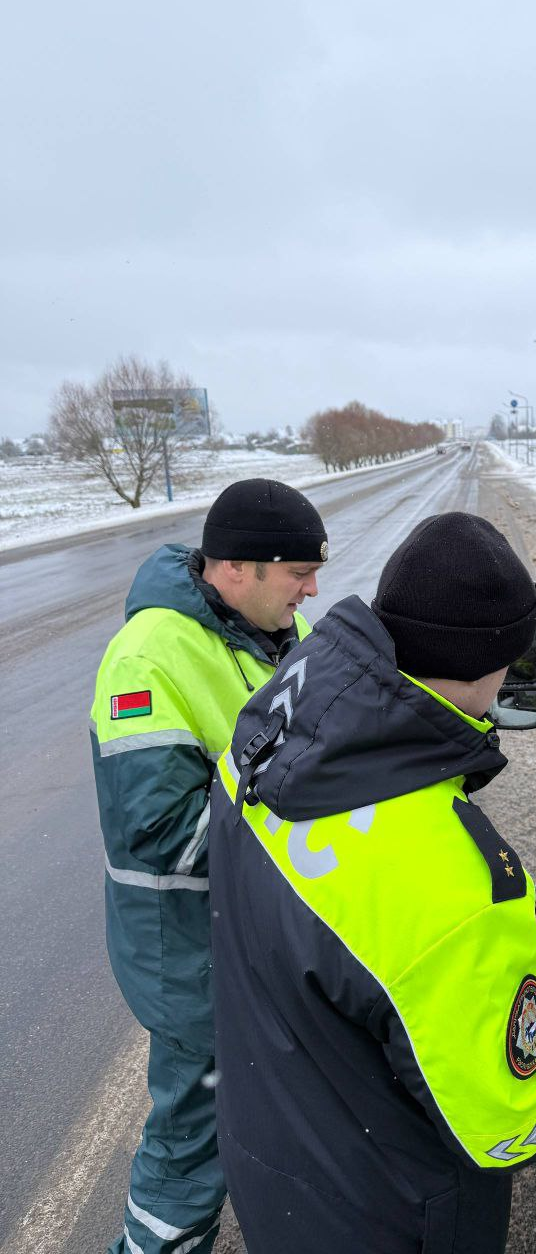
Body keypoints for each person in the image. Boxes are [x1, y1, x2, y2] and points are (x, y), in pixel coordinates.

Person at [209, 511, 536, 1254]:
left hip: (276, 1163)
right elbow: (519, 1120)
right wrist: (534, 956)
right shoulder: (447, 880)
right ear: (489, 667)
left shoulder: (274, 731)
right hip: (388, 1216)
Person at [90, 478, 328, 1254]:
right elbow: (164, 832)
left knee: (275, 1123)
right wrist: (315, 814)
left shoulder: (276, 630)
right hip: (193, 954)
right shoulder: (147, 657)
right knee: (191, 1152)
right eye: (299, 572)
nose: (311, 589)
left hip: (256, 939)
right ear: (234, 569)